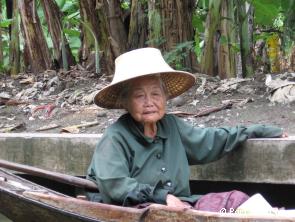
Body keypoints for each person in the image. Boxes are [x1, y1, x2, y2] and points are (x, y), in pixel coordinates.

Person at [87, 48, 285, 212]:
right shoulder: (115, 137)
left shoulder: (171, 126)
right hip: (137, 212)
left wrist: (257, 130)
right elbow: (115, 185)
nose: (149, 103)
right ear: (125, 102)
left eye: (156, 94)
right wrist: (163, 198)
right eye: (139, 96)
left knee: (238, 202)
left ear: (165, 98)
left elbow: (211, 140)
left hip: (183, 206)